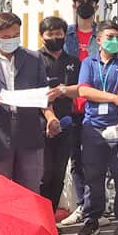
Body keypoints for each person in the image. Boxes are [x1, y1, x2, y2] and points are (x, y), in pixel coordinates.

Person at [0, 12, 59, 192]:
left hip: (29, 131)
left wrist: (49, 103)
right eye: (6, 37)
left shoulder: (34, 59)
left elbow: (42, 93)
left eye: (15, 35)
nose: (12, 40)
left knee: (29, 189)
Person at [77, 20, 118, 235]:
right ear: (99, 40)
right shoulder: (88, 63)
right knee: (93, 174)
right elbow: (84, 90)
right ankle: (92, 219)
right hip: (92, 126)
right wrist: (113, 98)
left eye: (117, 38)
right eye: (109, 37)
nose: (114, 41)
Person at [60, 0, 100, 226]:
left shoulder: (105, 34)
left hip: (96, 107)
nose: (84, 5)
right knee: (76, 159)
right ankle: (83, 206)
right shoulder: (65, 35)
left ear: (96, 5)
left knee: (97, 159)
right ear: (73, 5)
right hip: (71, 107)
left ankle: (98, 207)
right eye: (79, 2)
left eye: (89, 2)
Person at [38, 16, 81, 212]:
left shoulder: (73, 62)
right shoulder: (34, 60)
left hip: (66, 123)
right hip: (40, 125)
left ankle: (50, 215)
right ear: (42, 36)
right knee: (43, 173)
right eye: (50, 34)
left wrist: (64, 90)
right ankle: (39, 214)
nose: (55, 37)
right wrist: (49, 118)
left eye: (59, 34)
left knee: (58, 173)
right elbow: (36, 92)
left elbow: (81, 88)